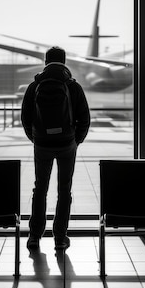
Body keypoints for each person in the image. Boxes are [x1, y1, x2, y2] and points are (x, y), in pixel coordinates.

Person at [21, 46, 90, 251]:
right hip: (66, 144)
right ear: (64, 61)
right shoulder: (72, 86)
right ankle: (60, 238)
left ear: (45, 61)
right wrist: (75, 141)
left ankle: (34, 236)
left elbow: (25, 117)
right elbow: (84, 118)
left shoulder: (35, 86)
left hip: (42, 144)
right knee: (64, 190)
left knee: (40, 188)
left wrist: (36, 138)